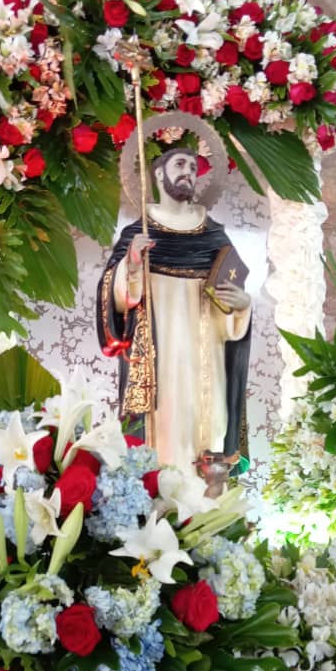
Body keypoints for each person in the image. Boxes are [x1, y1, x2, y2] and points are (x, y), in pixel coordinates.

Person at [96, 147, 252, 473]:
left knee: (207, 426)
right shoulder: (136, 235)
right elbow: (117, 300)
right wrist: (133, 265)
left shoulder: (213, 235)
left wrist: (242, 308)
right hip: (159, 358)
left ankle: (206, 508)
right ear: (158, 174)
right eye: (180, 164)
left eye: (194, 167)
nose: (188, 173)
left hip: (205, 356)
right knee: (163, 436)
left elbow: (231, 298)